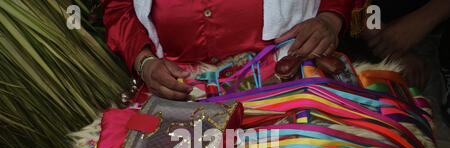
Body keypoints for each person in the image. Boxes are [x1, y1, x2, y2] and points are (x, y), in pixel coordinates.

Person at [102, 0, 354, 102]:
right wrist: (144, 61)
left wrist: (331, 18)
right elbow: (118, 8)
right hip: (180, 92)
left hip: (283, 83)